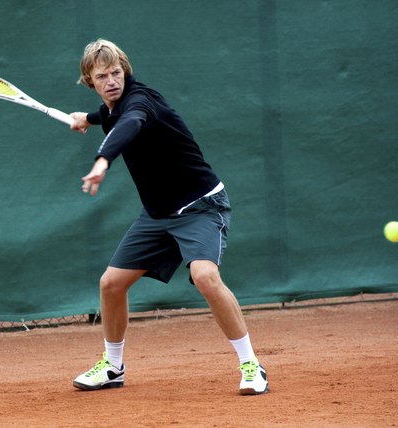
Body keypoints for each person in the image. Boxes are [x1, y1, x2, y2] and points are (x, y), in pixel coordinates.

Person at [68, 39, 268, 395]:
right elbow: (111, 115)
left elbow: (130, 122)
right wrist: (89, 118)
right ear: (90, 80)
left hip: (200, 205)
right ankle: (113, 367)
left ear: (125, 71)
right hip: (157, 213)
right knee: (111, 284)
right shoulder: (111, 106)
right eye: (103, 76)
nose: (112, 81)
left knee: (205, 276)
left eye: (117, 72)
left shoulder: (142, 100)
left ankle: (251, 364)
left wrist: (103, 158)